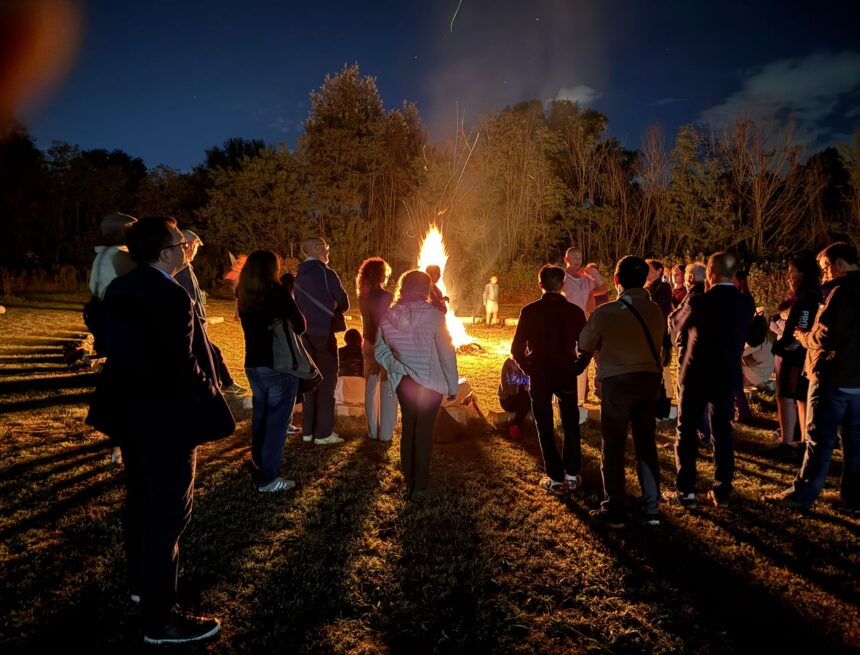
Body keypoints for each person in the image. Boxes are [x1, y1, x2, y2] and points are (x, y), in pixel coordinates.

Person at [86, 216, 233, 645]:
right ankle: (161, 620)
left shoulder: (123, 287)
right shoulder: (169, 294)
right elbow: (181, 364)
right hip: (165, 421)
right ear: (168, 252)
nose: (184, 249)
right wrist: (210, 396)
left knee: (141, 502)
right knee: (169, 514)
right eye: (179, 244)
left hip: (130, 417)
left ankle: (140, 587)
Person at [765, 242, 860, 511]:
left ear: (840, 263)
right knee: (854, 443)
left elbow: (826, 334)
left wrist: (806, 337)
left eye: (826, 268)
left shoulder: (842, 292)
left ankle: (802, 495)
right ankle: (853, 496)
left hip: (833, 377)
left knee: (820, 439)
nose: (825, 274)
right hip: (856, 381)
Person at [575, 256, 665, 528]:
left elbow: (584, 342)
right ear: (644, 280)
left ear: (616, 280)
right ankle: (651, 507)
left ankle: (614, 509)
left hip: (618, 382)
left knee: (613, 445)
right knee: (646, 443)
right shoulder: (655, 311)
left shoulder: (607, 312)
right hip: (649, 381)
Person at [669, 252, 755, 509]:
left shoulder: (699, 301)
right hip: (727, 373)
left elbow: (675, 326)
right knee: (723, 430)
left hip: (696, 374)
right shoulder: (745, 304)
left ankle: (686, 489)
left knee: (686, 430)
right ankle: (723, 488)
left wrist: (690, 296)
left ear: (710, 273)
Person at [375, 270, 459, 498]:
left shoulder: (388, 316)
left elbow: (380, 352)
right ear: (426, 289)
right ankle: (421, 486)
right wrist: (452, 386)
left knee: (409, 430)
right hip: (430, 383)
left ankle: (410, 480)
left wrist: (400, 368)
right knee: (423, 433)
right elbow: (446, 353)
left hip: (404, 383)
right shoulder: (435, 317)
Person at [511, 265, 586, 495]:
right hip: (565, 371)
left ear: (540, 284)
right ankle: (572, 475)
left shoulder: (530, 311)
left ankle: (555, 478)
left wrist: (528, 368)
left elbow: (516, 348)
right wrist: (579, 366)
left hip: (540, 373)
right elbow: (587, 344)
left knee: (544, 424)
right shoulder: (574, 311)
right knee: (570, 422)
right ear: (563, 284)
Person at [237, 250, 306, 492]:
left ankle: (258, 463)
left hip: (253, 364)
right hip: (278, 365)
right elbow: (300, 325)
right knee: (277, 423)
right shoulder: (277, 293)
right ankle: (269, 478)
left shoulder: (243, 293)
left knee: (261, 417)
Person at [88, 213, 137, 466]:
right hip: (124, 329)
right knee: (126, 387)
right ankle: (121, 442)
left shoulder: (101, 256)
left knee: (119, 383)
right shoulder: (122, 258)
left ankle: (119, 440)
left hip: (110, 328)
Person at [175, 230, 245, 395]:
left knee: (213, 353)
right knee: (209, 356)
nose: (196, 252)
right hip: (195, 325)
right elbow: (189, 300)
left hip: (197, 323)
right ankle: (217, 389)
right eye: (196, 248)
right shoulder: (182, 270)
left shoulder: (186, 267)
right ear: (191, 245)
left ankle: (224, 385)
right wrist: (199, 322)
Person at [294, 236, 349, 445]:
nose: (328, 251)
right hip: (324, 335)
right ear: (318, 249)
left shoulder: (299, 275)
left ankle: (308, 431)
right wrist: (334, 304)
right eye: (326, 247)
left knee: (310, 382)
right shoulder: (327, 273)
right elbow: (344, 303)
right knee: (327, 383)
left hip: (304, 337)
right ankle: (323, 433)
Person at [769, 254, 822, 457]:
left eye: (792, 272)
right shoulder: (805, 295)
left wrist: (789, 344)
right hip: (797, 353)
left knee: (788, 396)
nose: (788, 276)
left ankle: (787, 443)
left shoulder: (808, 297)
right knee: (799, 397)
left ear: (803, 273)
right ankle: (802, 441)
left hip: (795, 357)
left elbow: (802, 324)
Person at [356, 257, 397, 441]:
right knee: (387, 385)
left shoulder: (362, 297)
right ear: (381, 275)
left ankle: (372, 430)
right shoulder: (388, 297)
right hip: (385, 344)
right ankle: (386, 433)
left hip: (368, 343)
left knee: (370, 386)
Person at [561, 247, 607, 405]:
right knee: (565, 359)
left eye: (579, 257)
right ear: (566, 259)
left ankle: (579, 398)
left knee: (582, 360)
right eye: (573, 256)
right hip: (566, 325)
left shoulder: (586, 279)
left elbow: (602, 290)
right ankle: (562, 395)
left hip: (585, 325)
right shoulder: (562, 278)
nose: (577, 260)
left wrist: (595, 275)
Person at [498, 357, 531, 439]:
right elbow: (505, 387)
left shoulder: (528, 364)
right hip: (507, 399)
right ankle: (515, 426)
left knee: (530, 396)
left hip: (523, 399)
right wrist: (521, 388)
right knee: (526, 395)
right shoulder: (508, 364)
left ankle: (515, 425)